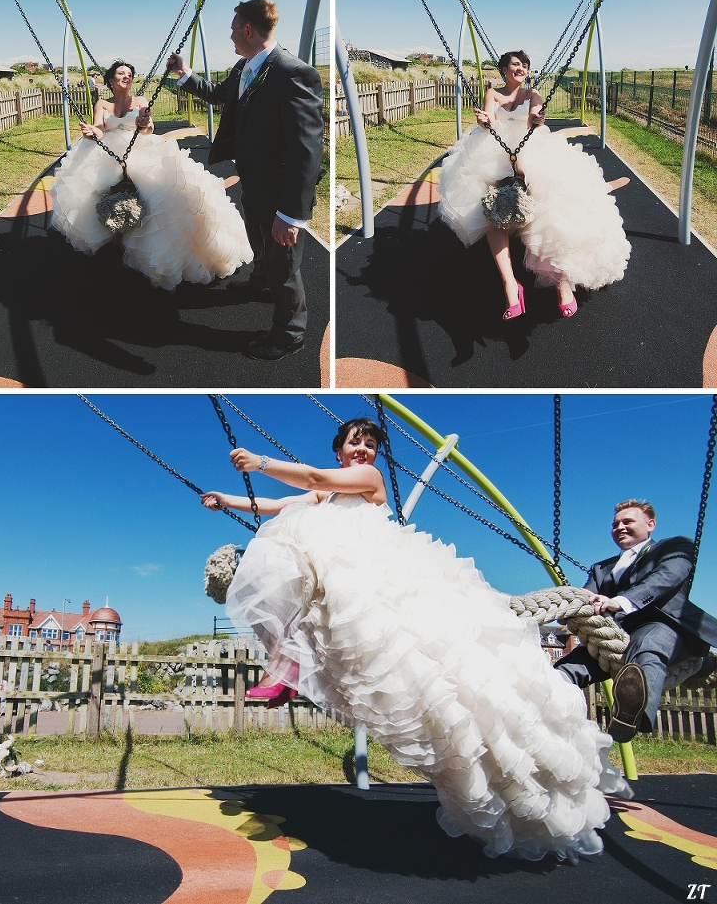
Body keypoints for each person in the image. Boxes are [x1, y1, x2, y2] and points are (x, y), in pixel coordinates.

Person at [202, 418, 630, 862]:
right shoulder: (324, 499)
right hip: (343, 591)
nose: (365, 449)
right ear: (340, 449)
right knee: (278, 549)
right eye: (356, 442)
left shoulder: (366, 479)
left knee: (445, 682)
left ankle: (288, 664)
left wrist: (261, 461)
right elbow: (279, 504)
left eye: (370, 444)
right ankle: (287, 661)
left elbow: (313, 476)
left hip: (375, 586)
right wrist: (225, 499)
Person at [168, 0, 324, 361]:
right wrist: (185, 73)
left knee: (284, 265)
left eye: (234, 28)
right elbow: (221, 96)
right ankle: (259, 283)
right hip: (253, 180)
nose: (231, 35)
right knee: (257, 239)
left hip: (280, 190)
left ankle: (290, 333)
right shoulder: (245, 68)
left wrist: (291, 214)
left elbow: (307, 149)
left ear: (249, 30)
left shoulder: (293, 72)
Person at [438, 50, 631, 319]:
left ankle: (562, 283)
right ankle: (510, 284)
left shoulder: (533, 95)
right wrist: (483, 123)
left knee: (551, 202)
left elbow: (534, 120)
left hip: (529, 148)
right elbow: (490, 123)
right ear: (504, 68)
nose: (521, 68)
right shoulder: (493, 93)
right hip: (495, 150)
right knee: (488, 208)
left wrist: (538, 120)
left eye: (525, 65)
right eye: (516, 64)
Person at [50, 59, 252, 290]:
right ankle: (119, 246)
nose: (126, 76)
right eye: (121, 73)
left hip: (140, 149)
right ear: (110, 80)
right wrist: (89, 132)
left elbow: (149, 129)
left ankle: (149, 249)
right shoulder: (102, 104)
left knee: (155, 194)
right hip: (110, 153)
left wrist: (143, 123)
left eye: (129, 74)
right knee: (105, 194)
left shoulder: (141, 101)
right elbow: (99, 129)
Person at [555, 499, 717, 742]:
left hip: (665, 625)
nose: (620, 527)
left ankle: (631, 716)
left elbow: (666, 577)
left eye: (628, 521)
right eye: (615, 524)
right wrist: (574, 605)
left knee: (649, 646)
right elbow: (588, 598)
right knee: (570, 665)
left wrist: (619, 601)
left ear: (650, 524)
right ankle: (545, 709)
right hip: (615, 636)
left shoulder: (675, 547)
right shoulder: (600, 568)